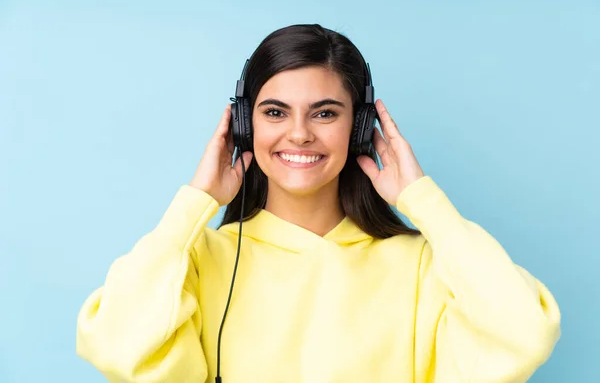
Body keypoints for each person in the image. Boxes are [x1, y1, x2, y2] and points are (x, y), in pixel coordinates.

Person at [75, 24, 561, 383]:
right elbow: (113, 342)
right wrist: (195, 203)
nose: (300, 132)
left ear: (359, 126)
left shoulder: (420, 266)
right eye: (274, 112)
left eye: (325, 112)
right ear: (246, 125)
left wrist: (425, 202)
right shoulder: (199, 260)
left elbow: (525, 332)